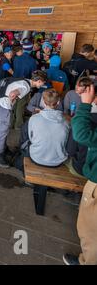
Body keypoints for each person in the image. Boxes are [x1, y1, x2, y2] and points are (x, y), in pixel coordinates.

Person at [63, 85, 97, 265]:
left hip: (89, 176)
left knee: (91, 230)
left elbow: (78, 138)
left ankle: (88, 261)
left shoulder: (86, 120)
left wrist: (85, 106)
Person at [0, 71, 47, 168]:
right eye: (43, 83)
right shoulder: (26, 87)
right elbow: (13, 93)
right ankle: (0, 154)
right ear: (39, 81)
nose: (44, 85)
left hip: (0, 103)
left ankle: (4, 148)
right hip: (4, 107)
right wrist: (10, 103)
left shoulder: (25, 80)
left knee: (4, 131)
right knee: (2, 132)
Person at [27, 89, 69, 167]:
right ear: (58, 102)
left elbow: (31, 138)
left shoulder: (34, 118)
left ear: (43, 102)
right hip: (57, 161)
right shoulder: (66, 123)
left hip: (36, 157)